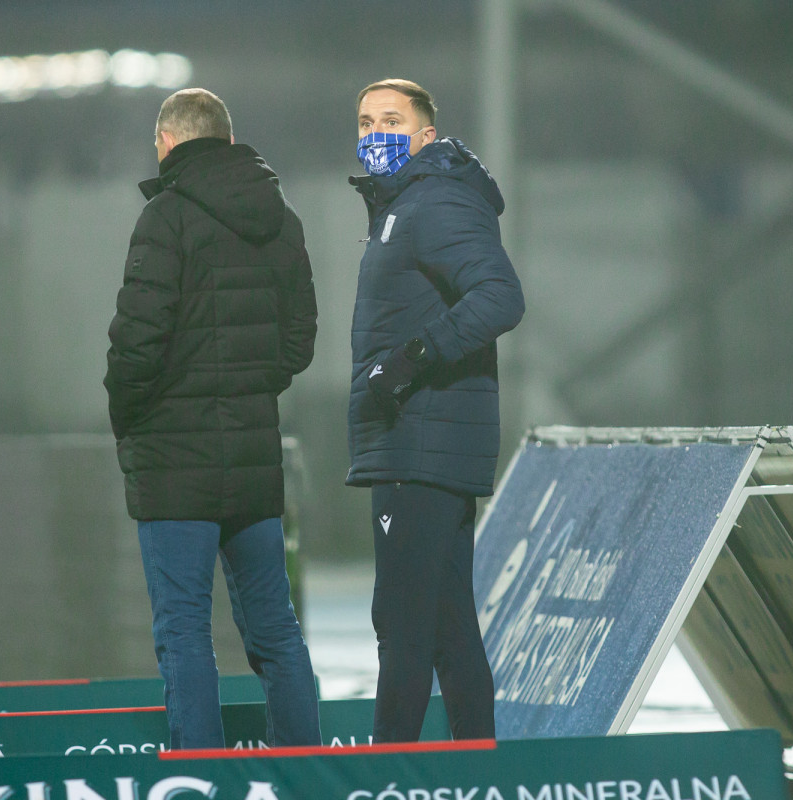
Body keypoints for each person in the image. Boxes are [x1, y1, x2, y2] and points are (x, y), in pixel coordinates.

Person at [104, 88, 321, 749]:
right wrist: (249, 390)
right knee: (277, 631)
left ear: (167, 142)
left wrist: (130, 419)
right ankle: (304, 775)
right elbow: (299, 342)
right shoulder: (281, 218)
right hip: (253, 461)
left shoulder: (164, 218)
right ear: (227, 140)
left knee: (184, 633)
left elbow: (136, 344)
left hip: (175, 466)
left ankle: (199, 779)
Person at [347, 79, 525, 741]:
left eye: (392, 121)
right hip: (419, 441)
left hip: (421, 441)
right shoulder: (404, 205)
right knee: (450, 632)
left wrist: (409, 361)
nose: (376, 133)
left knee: (401, 628)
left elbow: (500, 297)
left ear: (426, 135)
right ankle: (477, 774)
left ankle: (388, 777)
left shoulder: (435, 201)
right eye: (366, 121)